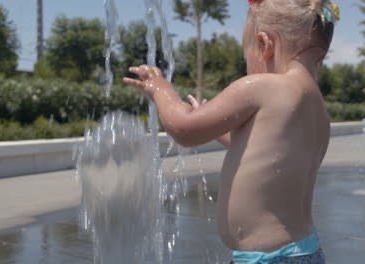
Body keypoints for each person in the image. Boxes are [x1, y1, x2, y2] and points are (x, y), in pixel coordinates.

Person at [123, 0, 339, 262]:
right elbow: (262, 147)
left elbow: (184, 131)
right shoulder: (317, 109)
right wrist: (213, 124)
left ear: (265, 45)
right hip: (305, 250)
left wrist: (161, 90)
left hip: (268, 258)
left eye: (246, 54)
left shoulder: (263, 86)